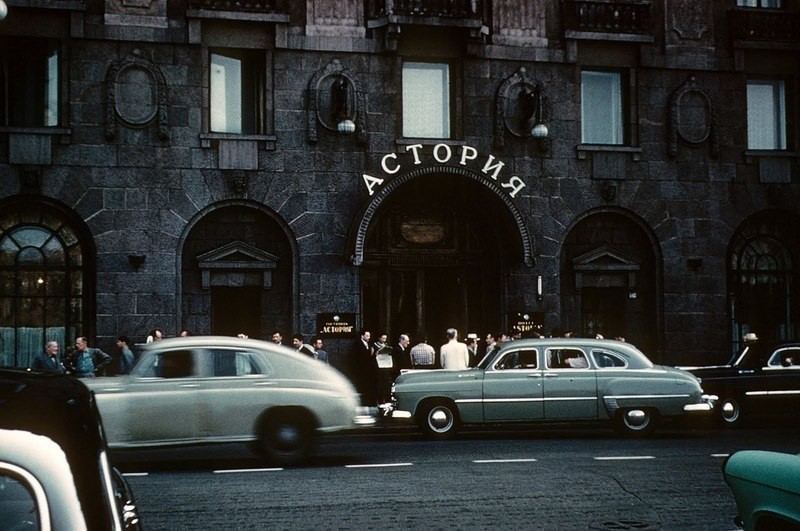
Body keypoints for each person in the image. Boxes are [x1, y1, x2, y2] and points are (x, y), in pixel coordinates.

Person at [350, 328, 376, 405]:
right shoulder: (357, 344)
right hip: (361, 369)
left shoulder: (369, 344)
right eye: (367, 336)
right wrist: (369, 353)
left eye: (369, 336)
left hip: (368, 369)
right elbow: (359, 357)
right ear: (362, 336)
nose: (369, 337)